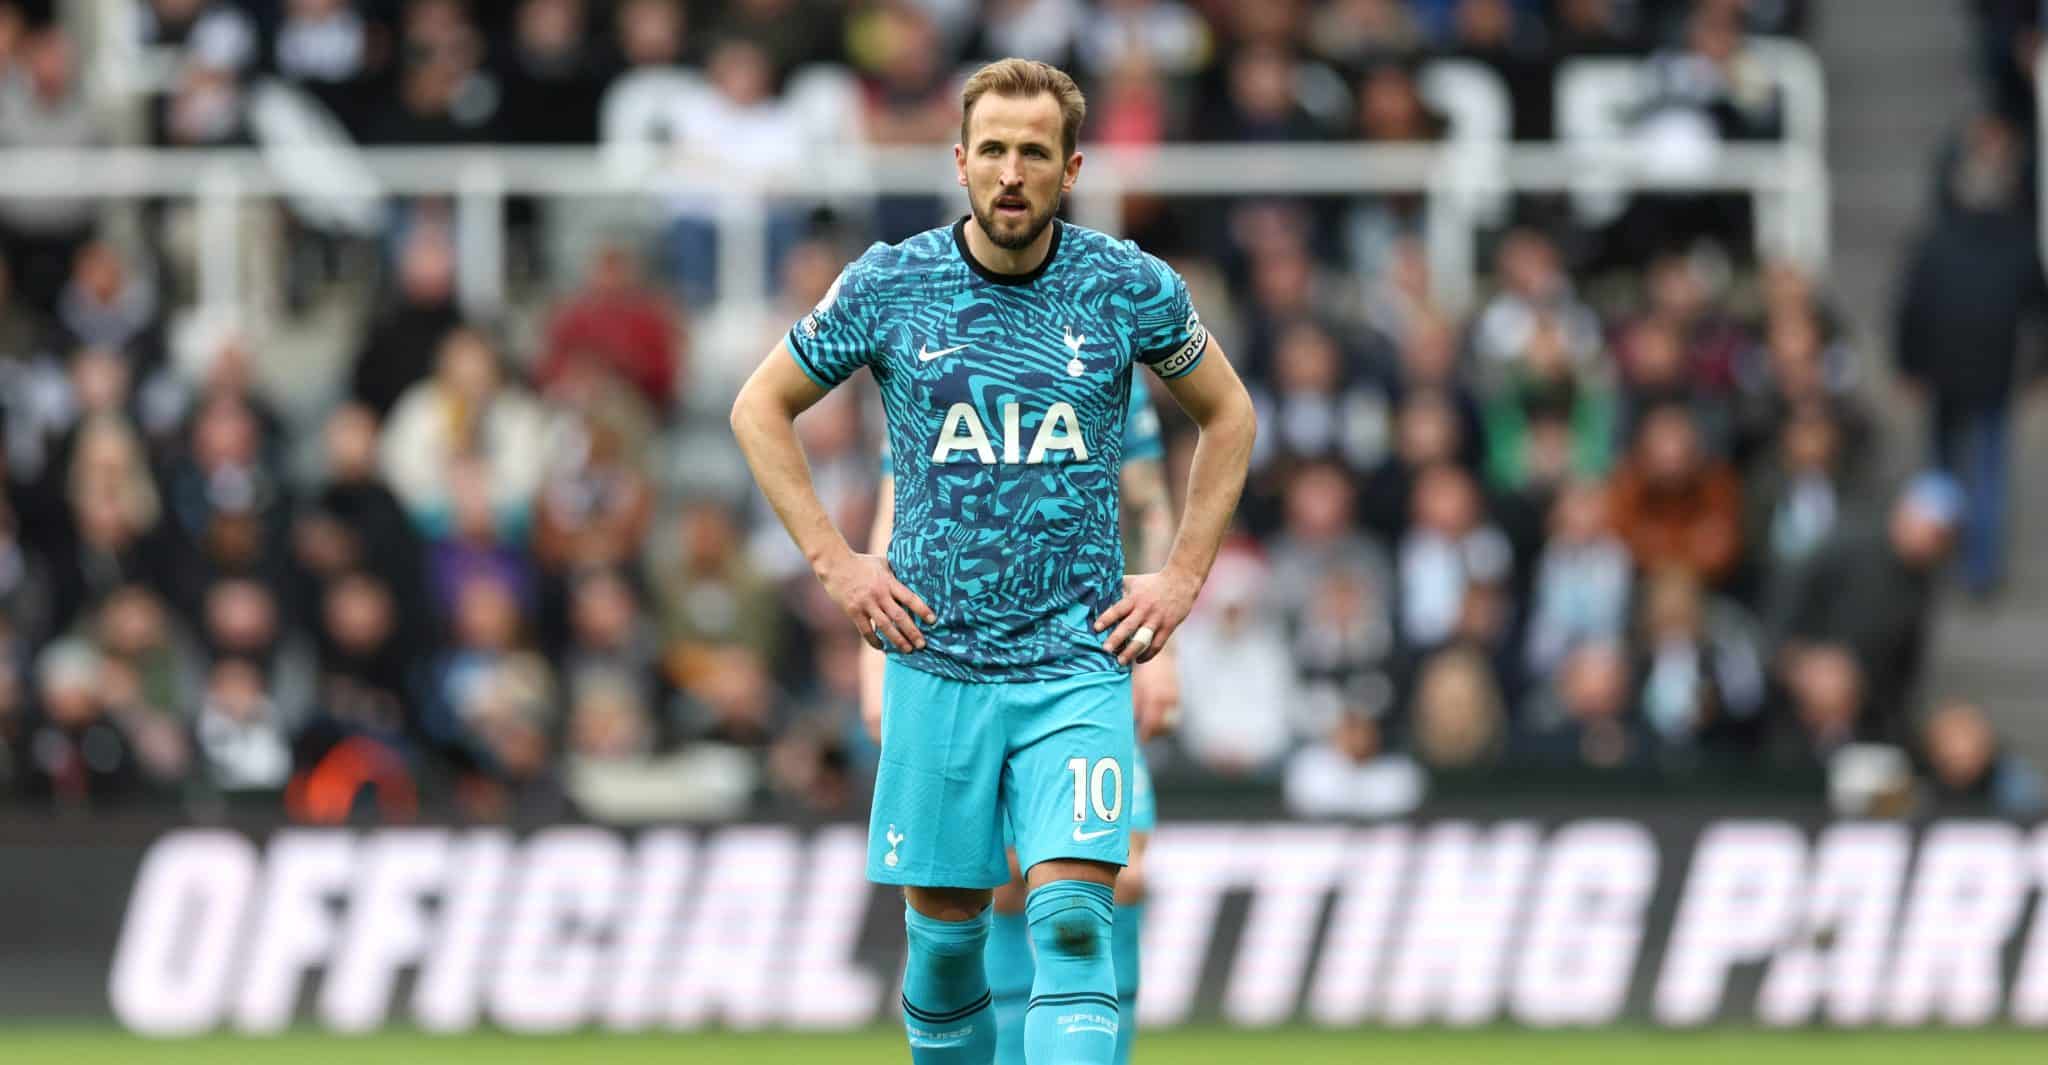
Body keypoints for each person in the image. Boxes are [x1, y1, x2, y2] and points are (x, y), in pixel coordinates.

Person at [729, 58, 1255, 1065]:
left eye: (1036, 154)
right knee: (943, 949)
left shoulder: (1125, 286)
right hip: (937, 662)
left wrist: (1183, 577)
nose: (1013, 173)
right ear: (961, 160)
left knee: (1069, 922)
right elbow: (760, 408)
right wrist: (837, 565)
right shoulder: (891, 283)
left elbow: (1229, 414)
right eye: (996, 151)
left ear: (1071, 168)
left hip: (1075, 663)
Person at [859, 371, 1178, 1065]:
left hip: (1080, 658)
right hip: (954, 665)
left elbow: (1148, 501)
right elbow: (894, 509)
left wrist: (1161, 649)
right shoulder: (931, 354)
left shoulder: (1102, 349)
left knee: (1105, 881)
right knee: (987, 886)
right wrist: (873, 666)